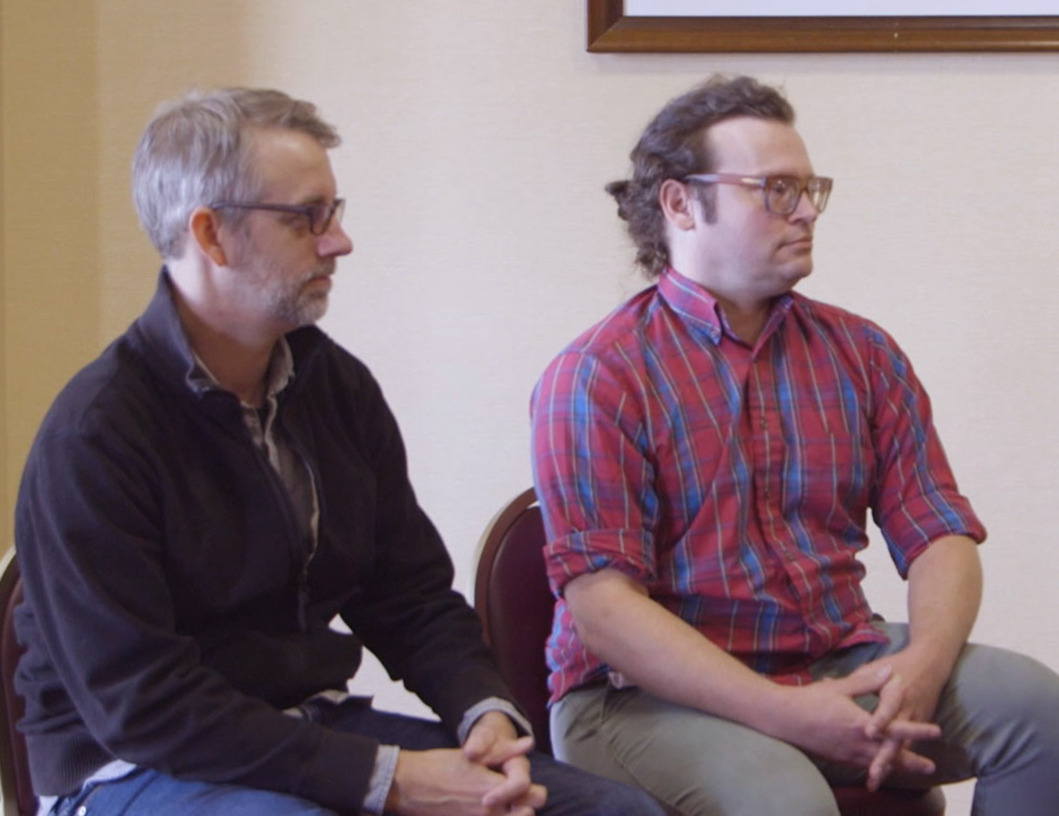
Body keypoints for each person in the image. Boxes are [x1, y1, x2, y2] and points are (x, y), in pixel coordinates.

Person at [11, 88, 663, 816]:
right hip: (130, 765)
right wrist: (392, 780)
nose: (338, 241)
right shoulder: (97, 434)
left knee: (613, 813)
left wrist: (484, 714)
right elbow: (146, 707)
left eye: (334, 212)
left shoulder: (333, 384)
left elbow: (408, 594)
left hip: (307, 726)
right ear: (211, 233)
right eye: (305, 218)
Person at [531, 75, 1059, 816]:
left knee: (1041, 713)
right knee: (784, 800)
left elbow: (939, 533)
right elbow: (604, 610)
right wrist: (787, 713)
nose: (806, 212)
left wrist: (922, 665)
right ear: (679, 203)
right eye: (776, 190)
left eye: (810, 189)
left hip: (833, 657)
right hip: (639, 701)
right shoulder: (597, 375)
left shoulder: (860, 352)